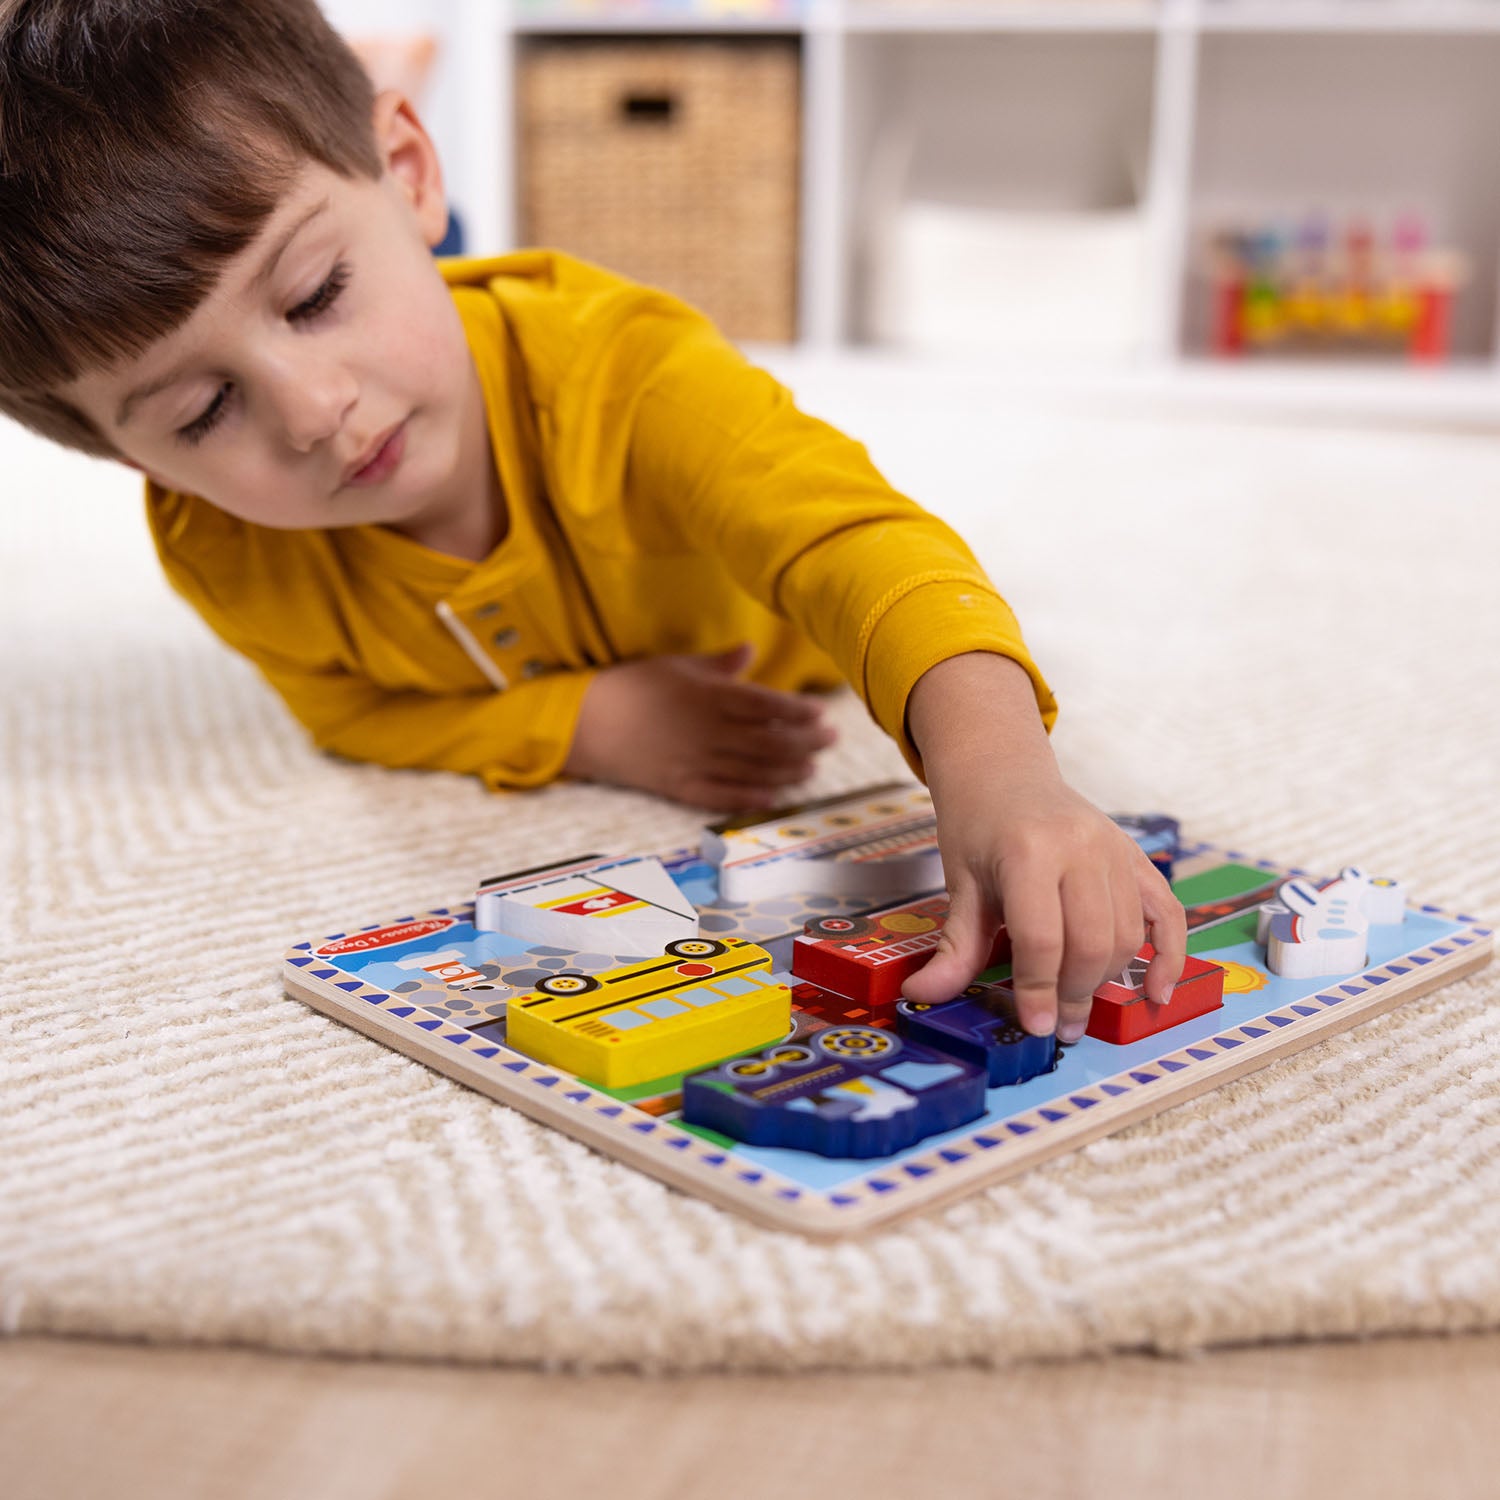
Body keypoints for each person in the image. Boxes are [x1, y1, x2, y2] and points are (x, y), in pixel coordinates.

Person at [0, 0, 1185, 1042]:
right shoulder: (220, 548)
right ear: (116, 449)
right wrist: (589, 725)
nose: (314, 412)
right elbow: (352, 707)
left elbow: (855, 540)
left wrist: (1005, 774)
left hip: (792, 650)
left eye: (316, 294)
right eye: (202, 412)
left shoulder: (625, 370)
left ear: (408, 170)